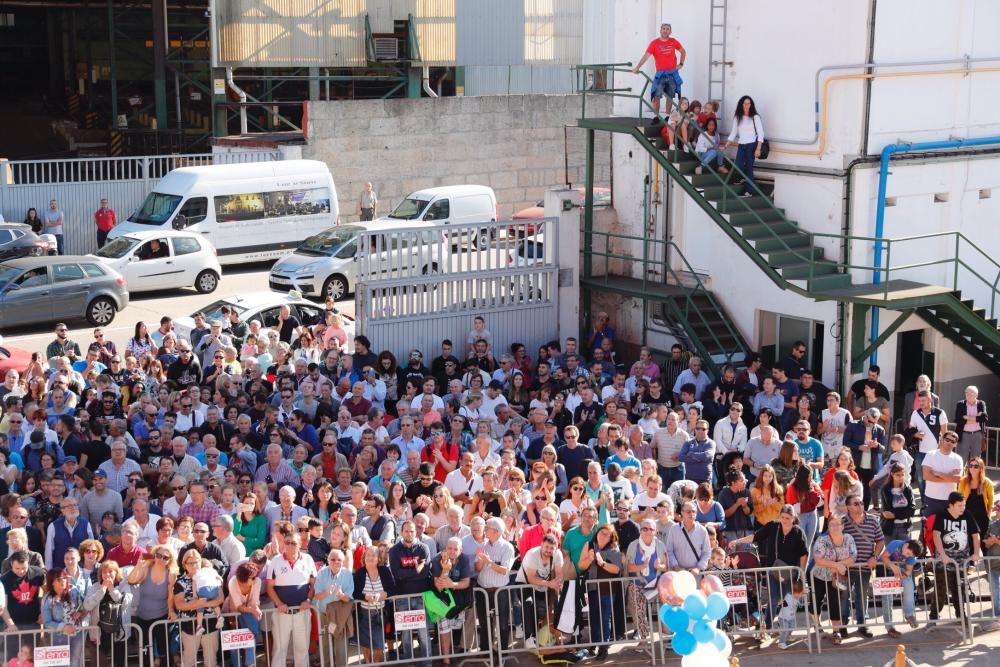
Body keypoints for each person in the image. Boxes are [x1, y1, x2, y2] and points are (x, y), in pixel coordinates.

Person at [265, 523, 316, 667]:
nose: (290, 545)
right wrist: (279, 604)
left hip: (303, 612)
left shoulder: (308, 559)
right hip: (282, 613)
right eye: (287, 542)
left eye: (293, 543)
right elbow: (270, 587)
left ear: (300, 545)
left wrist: (308, 599)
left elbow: (313, 584)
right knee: (280, 649)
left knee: (302, 649)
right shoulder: (275, 561)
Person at [931, 491, 981, 625]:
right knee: (940, 590)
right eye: (959, 505)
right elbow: (936, 535)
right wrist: (942, 555)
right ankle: (934, 616)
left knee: (960, 589)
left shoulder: (967, 515)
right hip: (944, 560)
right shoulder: (942, 515)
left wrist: (976, 553)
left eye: (963, 505)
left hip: (962, 561)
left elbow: (975, 535)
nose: (962, 508)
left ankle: (961, 614)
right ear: (951, 505)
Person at [810, 516, 856, 645]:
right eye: (832, 524)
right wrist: (837, 565)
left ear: (843, 526)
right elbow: (818, 559)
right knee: (816, 601)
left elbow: (853, 557)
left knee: (835, 602)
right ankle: (817, 625)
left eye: (837, 524)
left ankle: (836, 631)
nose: (835, 527)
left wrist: (839, 565)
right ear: (828, 527)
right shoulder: (822, 540)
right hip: (819, 575)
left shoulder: (848, 539)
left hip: (837, 577)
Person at [841, 494, 883, 635]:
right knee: (843, 595)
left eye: (861, 503)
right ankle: (843, 625)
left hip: (865, 566)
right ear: (848, 507)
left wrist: (875, 557)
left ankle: (862, 624)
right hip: (845, 568)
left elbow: (880, 541)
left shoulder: (872, 520)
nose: (860, 506)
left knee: (862, 595)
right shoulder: (842, 522)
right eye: (856, 504)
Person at [631, 23, 686, 120]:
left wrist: (681, 64)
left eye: (667, 29)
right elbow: (646, 56)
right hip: (660, 74)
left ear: (670, 31)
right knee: (656, 95)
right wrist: (637, 67)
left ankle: (668, 117)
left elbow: (683, 51)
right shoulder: (654, 43)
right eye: (664, 29)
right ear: (660, 30)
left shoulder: (673, 41)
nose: (665, 31)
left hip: (672, 74)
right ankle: (656, 117)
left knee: (670, 96)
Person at [84, 560, 133, 667]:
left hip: (119, 631)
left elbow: (125, 604)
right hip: (100, 632)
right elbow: (87, 606)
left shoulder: (124, 586)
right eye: (104, 572)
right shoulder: (95, 587)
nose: (107, 575)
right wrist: (101, 591)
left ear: (116, 573)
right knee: (99, 662)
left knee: (119, 663)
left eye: (110, 571)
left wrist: (112, 590)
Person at [353, 544, 394, 663]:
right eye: (368, 555)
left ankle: (376, 665)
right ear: (364, 557)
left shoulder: (384, 571)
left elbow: (392, 589)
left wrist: (381, 595)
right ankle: (367, 663)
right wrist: (366, 597)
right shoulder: (360, 573)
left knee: (378, 644)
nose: (370, 557)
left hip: (380, 613)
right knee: (365, 643)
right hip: (363, 614)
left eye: (373, 555)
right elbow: (355, 593)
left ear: (378, 558)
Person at [313, 549, 354, 666]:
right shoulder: (321, 573)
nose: (336, 562)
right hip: (324, 615)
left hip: (340, 616)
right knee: (325, 646)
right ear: (328, 560)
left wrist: (341, 595)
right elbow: (317, 595)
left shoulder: (348, 575)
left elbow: (349, 598)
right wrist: (327, 592)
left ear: (343, 561)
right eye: (333, 559)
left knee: (341, 647)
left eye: (339, 560)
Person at [41, 568, 85, 667]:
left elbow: (84, 604)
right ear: (52, 582)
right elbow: (47, 622)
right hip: (59, 636)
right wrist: (63, 627)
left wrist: (80, 612)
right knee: (61, 664)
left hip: (77, 633)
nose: (63, 581)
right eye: (59, 579)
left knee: (76, 661)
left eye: (65, 578)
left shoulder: (74, 590)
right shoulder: (48, 599)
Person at [879, 538, 922, 637]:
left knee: (909, 586)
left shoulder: (911, 555)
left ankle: (909, 614)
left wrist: (902, 574)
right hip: (885, 570)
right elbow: (884, 557)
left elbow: (908, 571)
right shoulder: (895, 544)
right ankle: (889, 625)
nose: (907, 556)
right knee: (887, 597)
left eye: (910, 555)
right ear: (906, 545)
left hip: (899, 571)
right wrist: (893, 567)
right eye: (907, 553)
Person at [726, 95, 765, 197]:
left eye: (749, 103)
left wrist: (758, 148)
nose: (747, 105)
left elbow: (760, 133)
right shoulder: (737, 117)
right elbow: (733, 132)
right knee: (738, 165)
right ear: (741, 104)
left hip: (751, 145)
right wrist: (726, 145)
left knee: (749, 167)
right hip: (741, 145)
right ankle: (744, 178)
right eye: (745, 103)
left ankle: (749, 192)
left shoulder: (755, 117)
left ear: (751, 105)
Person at [922, 431, 963, 518]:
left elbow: (957, 479)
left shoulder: (958, 459)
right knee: (928, 528)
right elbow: (926, 476)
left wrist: (937, 474)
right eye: (947, 440)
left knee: (946, 530)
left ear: (955, 444)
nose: (949, 442)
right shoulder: (930, 454)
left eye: (953, 441)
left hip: (950, 500)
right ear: (942, 440)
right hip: (931, 498)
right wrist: (949, 477)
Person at [954, 386, 988, 465]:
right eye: (967, 393)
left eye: (971, 393)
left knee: (975, 460)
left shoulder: (981, 403)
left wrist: (967, 418)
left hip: (977, 435)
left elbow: (984, 417)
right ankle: (961, 476)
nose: (968, 395)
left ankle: (973, 477)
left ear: (976, 395)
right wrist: (976, 418)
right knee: (961, 459)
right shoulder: (960, 404)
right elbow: (958, 419)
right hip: (963, 434)